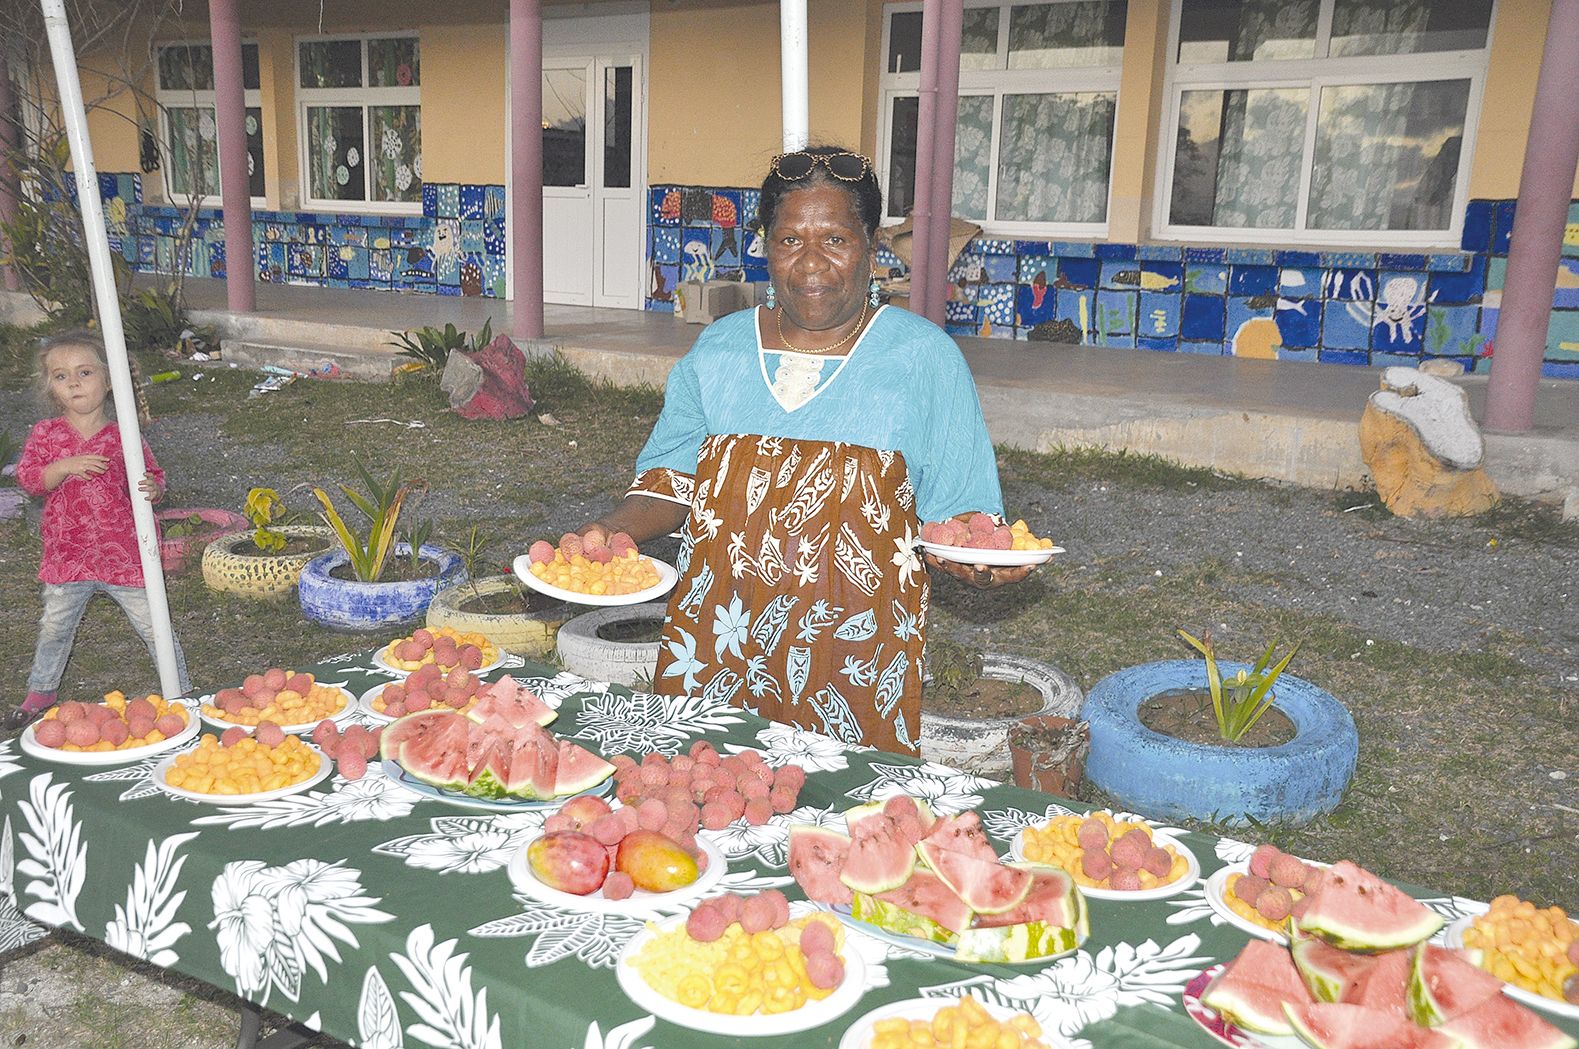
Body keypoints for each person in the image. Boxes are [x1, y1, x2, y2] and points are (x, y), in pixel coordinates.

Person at [575, 146, 1030, 753]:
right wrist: (610, 532)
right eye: (790, 240)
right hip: (715, 650)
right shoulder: (720, 351)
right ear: (765, 246)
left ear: (871, 247)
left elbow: (964, 519)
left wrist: (983, 562)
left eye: (835, 240)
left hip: (857, 664)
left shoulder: (924, 360)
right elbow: (669, 481)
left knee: (843, 828)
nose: (811, 265)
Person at [7, 332, 191, 730]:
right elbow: (31, 479)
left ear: (109, 381)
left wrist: (154, 489)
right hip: (68, 556)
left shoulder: (125, 435)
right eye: (61, 376)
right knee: (55, 627)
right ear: (51, 386)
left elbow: (153, 479)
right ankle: (41, 690)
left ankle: (182, 691)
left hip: (123, 555)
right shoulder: (47, 433)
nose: (73, 383)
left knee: (155, 625)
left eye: (84, 372)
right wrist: (63, 467)